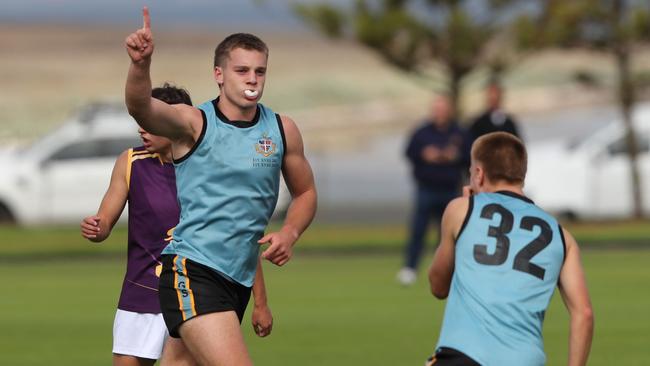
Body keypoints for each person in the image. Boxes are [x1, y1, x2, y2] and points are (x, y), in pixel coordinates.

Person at [124, 7, 317, 366]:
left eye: (260, 71)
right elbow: (141, 108)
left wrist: (289, 232)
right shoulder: (193, 123)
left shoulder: (281, 129)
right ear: (219, 74)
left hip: (238, 279)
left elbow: (306, 193)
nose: (252, 79)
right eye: (242, 70)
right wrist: (140, 65)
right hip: (193, 270)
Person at [81, 84, 274, 366]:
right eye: (141, 123)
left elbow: (238, 237)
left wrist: (261, 303)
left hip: (194, 292)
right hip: (140, 294)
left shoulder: (209, 169)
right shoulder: (131, 162)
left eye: (150, 122)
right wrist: (97, 228)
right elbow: (105, 221)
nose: (142, 129)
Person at [426, 132, 594, 366]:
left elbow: (438, 285)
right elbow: (583, 314)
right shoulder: (562, 236)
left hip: (464, 355)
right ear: (521, 175)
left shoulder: (461, 210)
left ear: (478, 173)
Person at [397, 95, 471, 286]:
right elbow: (409, 152)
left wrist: (453, 156)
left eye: (443, 108)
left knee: (448, 234)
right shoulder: (422, 132)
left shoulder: (459, 132)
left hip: (449, 191)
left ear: (449, 110)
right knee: (418, 230)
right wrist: (425, 154)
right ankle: (410, 268)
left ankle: (446, 271)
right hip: (426, 189)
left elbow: (469, 157)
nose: (440, 112)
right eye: (437, 108)